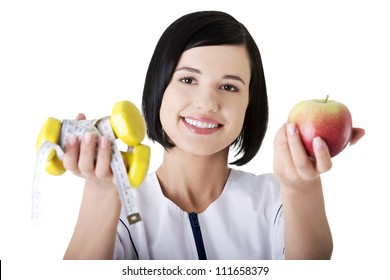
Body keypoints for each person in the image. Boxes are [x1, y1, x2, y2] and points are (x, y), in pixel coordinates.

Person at [62, 11, 365, 260]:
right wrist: (101, 193)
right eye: (188, 79)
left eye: (230, 86)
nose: (207, 103)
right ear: (158, 89)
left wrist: (302, 189)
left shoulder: (277, 199)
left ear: (250, 105)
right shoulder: (122, 207)